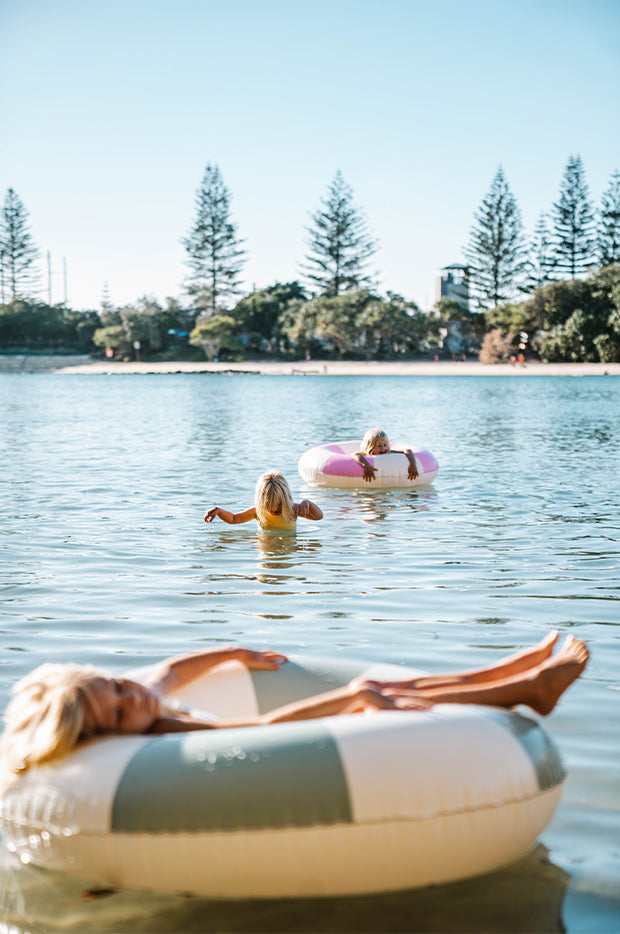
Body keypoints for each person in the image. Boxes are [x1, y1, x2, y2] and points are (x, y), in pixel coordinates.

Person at [0, 632, 589, 786]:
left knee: (375, 682)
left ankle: (509, 671)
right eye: (123, 710)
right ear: (113, 735)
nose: (135, 697)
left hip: (302, 733)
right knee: (378, 693)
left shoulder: (141, 698)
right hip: (301, 746)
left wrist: (233, 652)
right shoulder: (163, 728)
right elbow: (262, 727)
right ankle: (525, 689)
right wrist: (350, 699)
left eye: (118, 686)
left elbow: (171, 671)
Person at [205, 471, 323, 530]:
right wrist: (219, 511)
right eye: (270, 505)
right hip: (265, 548)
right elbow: (234, 519)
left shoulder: (293, 509)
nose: (275, 509)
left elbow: (318, 517)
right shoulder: (257, 512)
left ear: (286, 499)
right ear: (261, 503)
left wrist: (307, 503)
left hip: (289, 550)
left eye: (279, 504)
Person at [354, 429, 419, 483]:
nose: (383, 449)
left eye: (385, 445)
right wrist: (366, 466)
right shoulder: (367, 455)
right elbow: (356, 454)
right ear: (370, 447)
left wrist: (412, 464)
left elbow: (408, 451)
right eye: (379, 446)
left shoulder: (389, 452)